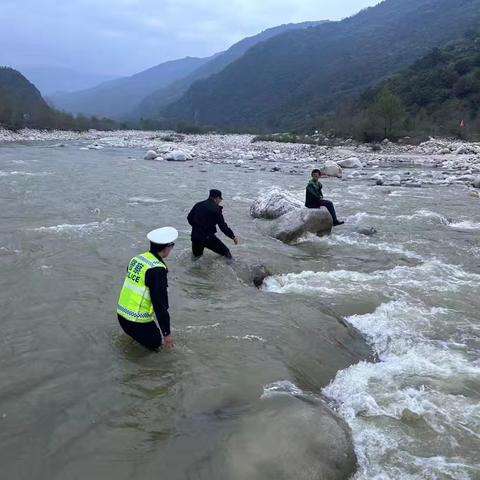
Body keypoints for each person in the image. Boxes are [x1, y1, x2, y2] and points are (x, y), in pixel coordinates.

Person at [117, 226, 177, 351]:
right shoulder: (157, 270)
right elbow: (160, 305)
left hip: (122, 316)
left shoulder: (137, 259)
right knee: (157, 347)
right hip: (137, 322)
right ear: (167, 247)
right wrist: (167, 334)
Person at [187, 189, 238, 260]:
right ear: (217, 198)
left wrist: (197, 227)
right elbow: (223, 227)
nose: (220, 201)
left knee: (196, 258)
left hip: (195, 237)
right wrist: (232, 236)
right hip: (208, 238)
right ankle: (233, 268)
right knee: (226, 253)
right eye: (220, 199)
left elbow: (189, 218)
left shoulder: (198, 205)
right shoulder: (216, 209)